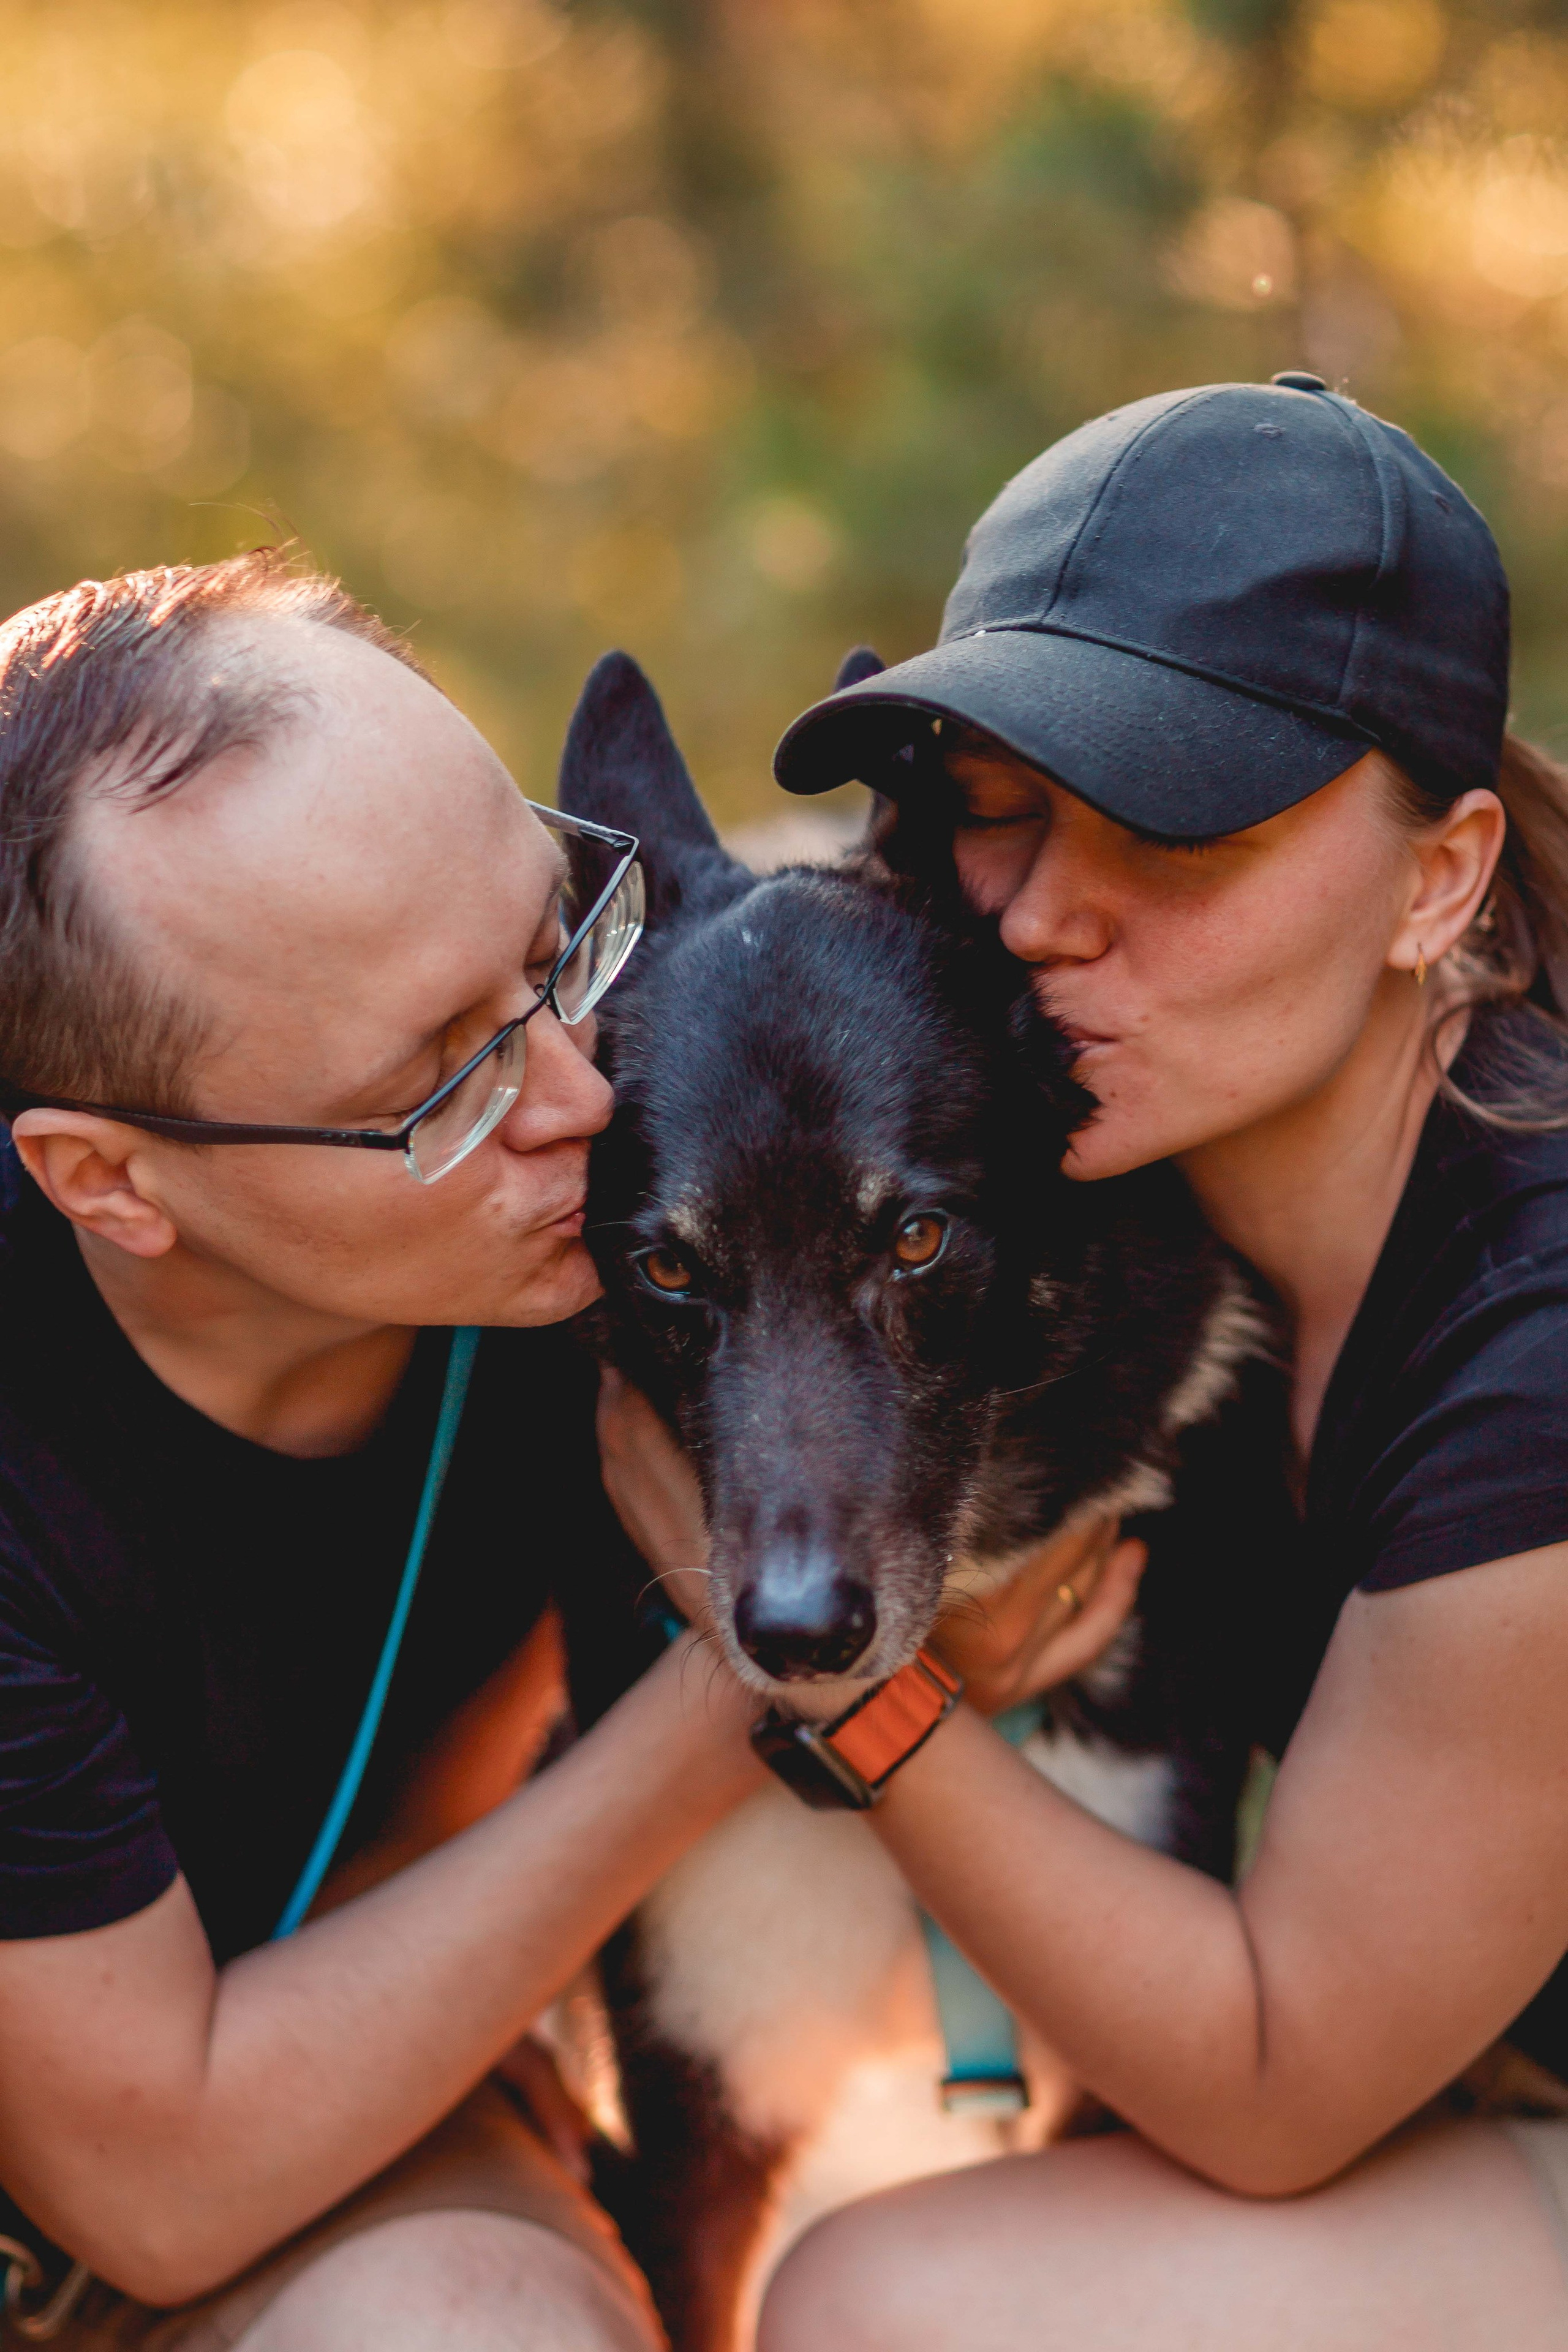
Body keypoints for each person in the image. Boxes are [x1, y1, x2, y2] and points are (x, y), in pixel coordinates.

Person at [610, 374, 1568, 2346]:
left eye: (1175, 832)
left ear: (1444, 875)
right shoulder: (1163, 1223)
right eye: (999, 814)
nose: (1041, 913)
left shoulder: (1536, 1358)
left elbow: (1279, 2086)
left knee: (898, 2299)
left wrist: (869, 1706)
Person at [0, 553, 767, 2352]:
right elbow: (157, 2187)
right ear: (111, 1181)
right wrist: (771, 1685)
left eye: (558, 931)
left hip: (348, 2104)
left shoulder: (612, 1168)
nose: (584, 1095)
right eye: (444, 1081)